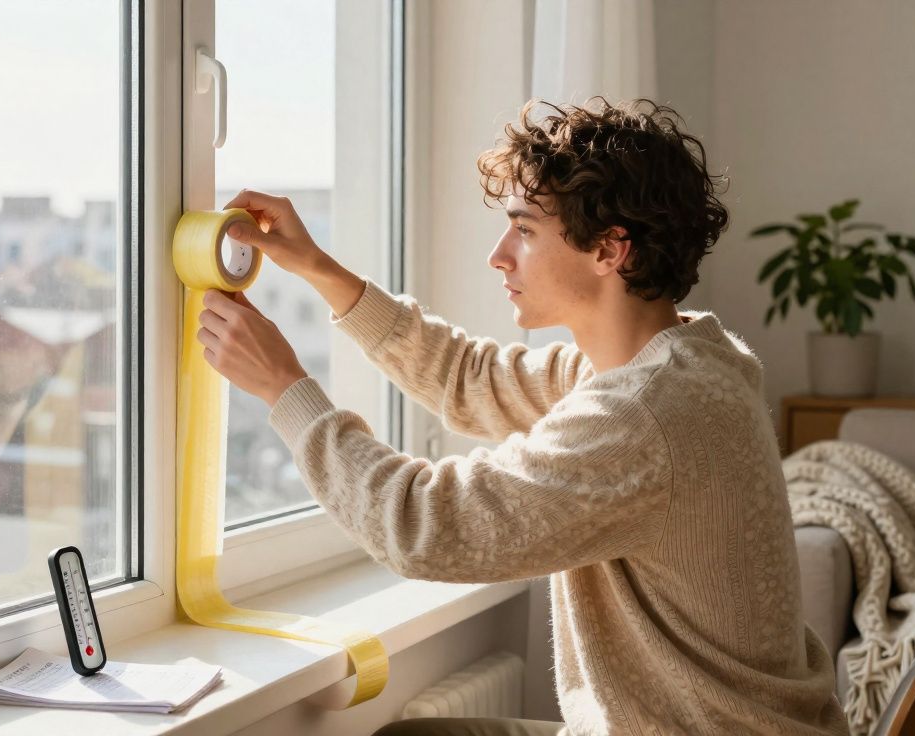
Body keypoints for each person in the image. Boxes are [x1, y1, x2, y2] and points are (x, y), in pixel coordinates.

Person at [195, 97, 847, 735]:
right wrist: (318, 268)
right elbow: (469, 378)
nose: (499, 254)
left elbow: (426, 526)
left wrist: (284, 388)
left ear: (609, 250)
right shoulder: (687, 361)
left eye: (526, 230)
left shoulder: (643, 416)